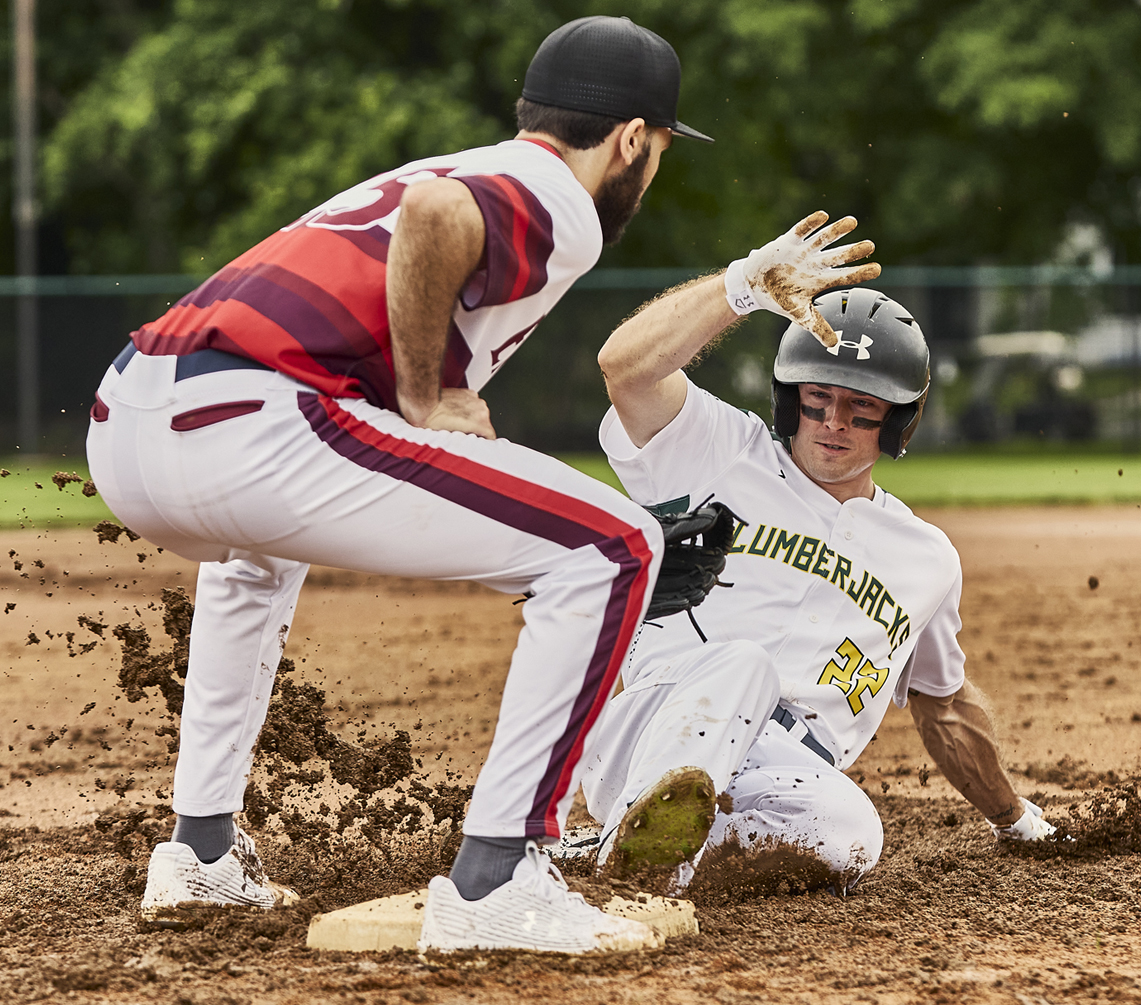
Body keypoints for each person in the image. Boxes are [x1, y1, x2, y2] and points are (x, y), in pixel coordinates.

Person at [86, 15, 746, 956]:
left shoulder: (481, 162)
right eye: (663, 148)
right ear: (634, 139)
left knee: (254, 562)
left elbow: (426, 224)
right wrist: (430, 391)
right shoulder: (558, 195)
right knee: (614, 547)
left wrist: (425, 405)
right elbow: (441, 216)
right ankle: (498, 879)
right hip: (258, 418)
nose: (656, 166)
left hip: (133, 417)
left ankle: (199, 857)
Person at [581, 220, 1056, 894]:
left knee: (853, 833)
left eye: (861, 409)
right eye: (817, 399)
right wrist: (741, 285)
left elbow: (943, 710)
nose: (834, 422)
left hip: (780, 766)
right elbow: (624, 369)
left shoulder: (927, 559)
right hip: (662, 721)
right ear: (788, 397)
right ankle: (635, 837)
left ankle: (644, 857)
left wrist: (1014, 819)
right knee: (748, 666)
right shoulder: (723, 449)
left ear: (898, 422)